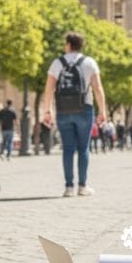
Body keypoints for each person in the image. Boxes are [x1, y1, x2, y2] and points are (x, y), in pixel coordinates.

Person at [42, 31, 107, 197]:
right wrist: (103, 111)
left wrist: (47, 110)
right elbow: (98, 89)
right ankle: (82, 186)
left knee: (68, 149)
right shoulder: (90, 62)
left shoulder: (58, 63)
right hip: (84, 108)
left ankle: (68, 187)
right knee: (83, 148)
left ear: (68, 45)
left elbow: (49, 88)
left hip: (63, 110)